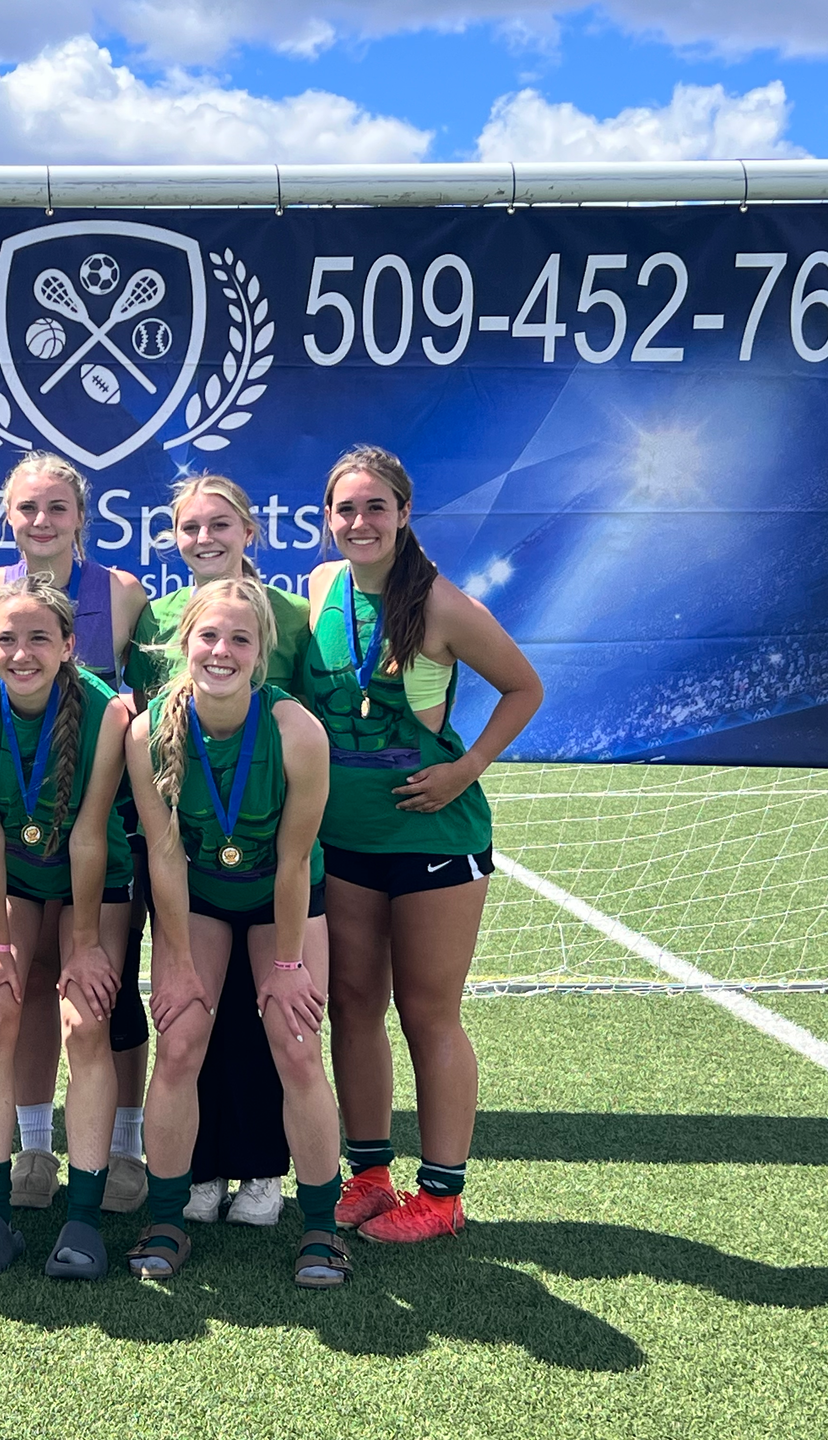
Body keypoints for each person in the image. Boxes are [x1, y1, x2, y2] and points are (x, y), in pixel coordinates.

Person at [305, 445, 542, 1243]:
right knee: (352, 1004)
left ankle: (440, 1195)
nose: (360, 522)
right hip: (343, 842)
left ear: (404, 514)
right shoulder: (319, 590)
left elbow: (524, 686)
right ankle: (369, 1174)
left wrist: (466, 768)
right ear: (329, 518)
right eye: (347, 509)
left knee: (427, 1012)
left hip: (433, 838)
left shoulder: (441, 603)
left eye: (376, 507)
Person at [125, 577, 349, 1287]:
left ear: (261, 654)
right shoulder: (148, 728)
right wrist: (180, 963)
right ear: (184, 643)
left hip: (282, 896)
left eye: (240, 640)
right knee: (181, 1037)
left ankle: (322, 1228)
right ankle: (163, 1217)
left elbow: (293, 859)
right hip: (200, 896)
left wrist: (286, 966)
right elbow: (164, 853)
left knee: (297, 1043)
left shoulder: (296, 731)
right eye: (209, 637)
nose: (222, 651)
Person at [125, 475, 310, 1227]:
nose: (205, 539)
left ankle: (263, 1170)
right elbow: (145, 721)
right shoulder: (153, 617)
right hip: (183, 849)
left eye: (220, 524)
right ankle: (198, 1172)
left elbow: (304, 725)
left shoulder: (294, 615)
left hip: (269, 849)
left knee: (259, 1012)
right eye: (190, 528)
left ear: (251, 530)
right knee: (188, 1010)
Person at [0, 574, 133, 1279]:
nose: (22, 653)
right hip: (10, 876)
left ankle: (82, 1220)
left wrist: (82, 946)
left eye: (39, 639)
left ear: (70, 646)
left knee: (86, 1022)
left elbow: (89, 837)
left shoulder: (109, 712)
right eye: (7, 639)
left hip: (92, 882)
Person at [0, 452, 151, 1216]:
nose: (41, 521)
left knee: (105, 991)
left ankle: (124, 1147)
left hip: (102, 822)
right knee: (29, 984)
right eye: (27, 508)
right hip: (19, 828)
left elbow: (140, 705)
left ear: (82, 516)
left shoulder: (122, 592)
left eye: (56, 507)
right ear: (9, 516)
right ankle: (36, 1147)